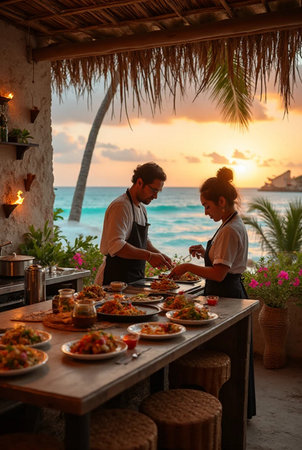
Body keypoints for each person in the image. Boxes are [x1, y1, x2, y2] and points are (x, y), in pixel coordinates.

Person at [169, 166, 256, 418]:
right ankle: (235, 409)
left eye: (207, 206)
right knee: (234, 353)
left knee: (227, 352)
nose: (205, 212)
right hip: (229, 290)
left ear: (221, 201)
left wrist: (187, 266)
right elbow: (222, 260)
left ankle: (225, 410)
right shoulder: (230, 223)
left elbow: (219, 273)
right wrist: (205, 252)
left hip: (226, 293)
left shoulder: (229, 229)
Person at [95, 162, 172, 286]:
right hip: (114, 282)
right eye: (153, 190)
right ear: (140, 182)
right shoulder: (121, 206)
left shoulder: (142, 208)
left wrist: (158, 254)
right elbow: (117, 246)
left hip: (135, 280)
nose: (156, 196)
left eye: (158, 191)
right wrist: (150, 256)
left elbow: (144, 241)